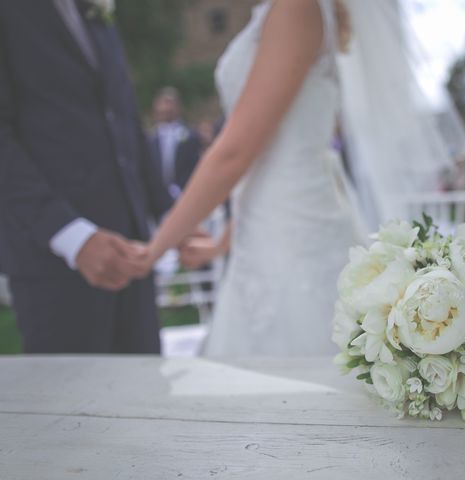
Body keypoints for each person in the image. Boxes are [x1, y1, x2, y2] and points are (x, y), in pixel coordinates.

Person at [134, 0, 361, 357]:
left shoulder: (296, 8)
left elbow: (233, 153)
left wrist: (154, 248)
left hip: (295, 236)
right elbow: (265, 166)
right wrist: (220, 243)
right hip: (262, 229)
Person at [0, 0, 202, 353]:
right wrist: (71, 236)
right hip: (53, 261)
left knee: (141, 397)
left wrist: (170, 216)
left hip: (132, 253)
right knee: (69, 404)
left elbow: (122, 116)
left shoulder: (92, 8)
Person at [149, 87, 203, 199]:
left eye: (169, 103)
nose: (165, 108)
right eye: (162, 104)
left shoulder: (190, 136)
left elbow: (195, 166)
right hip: (157, 197)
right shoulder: (151, 138)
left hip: (185, 193)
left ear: (178, 107)